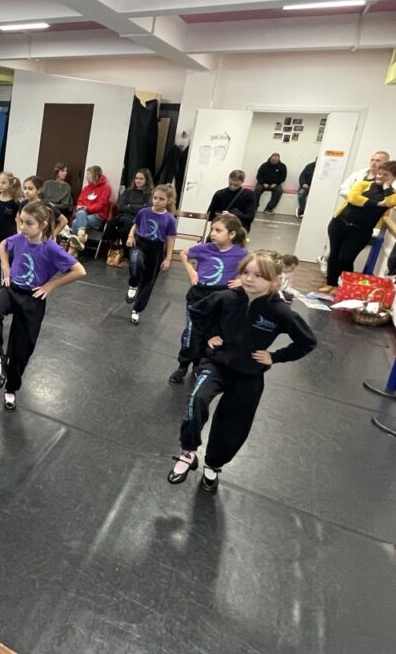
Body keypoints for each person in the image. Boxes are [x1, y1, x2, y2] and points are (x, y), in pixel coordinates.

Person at [167, 251, 316, 492]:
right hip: (216, 363)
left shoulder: (280, 311)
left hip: (249, 373)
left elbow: (307, 341)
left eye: (258, 275)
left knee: (234, 423)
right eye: (245, 272)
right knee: (197, 399)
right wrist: (210, 335)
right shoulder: (226, 297)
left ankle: (213, 465)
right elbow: (198, 312)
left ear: (276, 280)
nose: (249, 279)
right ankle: (188, 451)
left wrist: (275, 356)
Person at [0, 201, 86, 410]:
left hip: (33, 299)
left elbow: (79, 271)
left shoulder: (51, 248)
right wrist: (5, 267)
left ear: (42, 224)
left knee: (21, 350)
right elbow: (3, 245)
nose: (23, 227)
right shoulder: (20, 238)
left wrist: (51, 285)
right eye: (21, 221)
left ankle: (11, 388)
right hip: (12, 290)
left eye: (29, 223)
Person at [170, 213, 248, 384]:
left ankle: (199, 364)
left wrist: (242, 280)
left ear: (232, 234)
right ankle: (183, 365)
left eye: (218, 230)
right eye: (212, 229)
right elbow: (184, 254)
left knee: (212, 332)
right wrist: (192, 272)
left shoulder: (241, 253)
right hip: (199, 295)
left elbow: (254, 268)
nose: (213, 233)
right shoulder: (204, 248)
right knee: (192, 331)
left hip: (221, 297)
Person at [320, 160, 396, 293]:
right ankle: (330, 283)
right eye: (379, 173)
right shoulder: (363, 184)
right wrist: (378, 204)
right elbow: (353, 198)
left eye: (385, 175)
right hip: (339, 224)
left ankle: (342, 286)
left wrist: (386, 187)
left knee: (346, 259)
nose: (380, 177)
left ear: (393, 178)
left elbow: (390, 202)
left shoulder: (391, 194)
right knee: (334, 255)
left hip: (361, 231)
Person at [125, 184, 177, 325]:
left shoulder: (170, 219)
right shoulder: (144, 212)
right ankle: (133, 284)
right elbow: (135, 225)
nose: (157, 201)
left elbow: (170, 239)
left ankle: (137, 309)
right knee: (136, 261)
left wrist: (168, 258)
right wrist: (131, 236)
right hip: (141, 243)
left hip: (156, 250)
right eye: (155, 198)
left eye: (161, 199)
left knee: (148, 281)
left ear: (169, 200)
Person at [70, 165, 112, 246]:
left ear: (94, 175)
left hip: (97, 216)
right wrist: (81, 207)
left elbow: (101, 205)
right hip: (83, 214)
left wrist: (87, 208)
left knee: (75, 222)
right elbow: (80, 201)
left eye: (88, 174)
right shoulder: (86, 188)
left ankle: (74, 247)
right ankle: (81, 238)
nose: (86, 176)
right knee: (81, 213)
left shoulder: (106, 188)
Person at [109, 169, 153, 244]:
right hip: (123, 216)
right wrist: (138, 207)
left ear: (147, 180)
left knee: (127, 224)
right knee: (115, 223)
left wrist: (129, 206)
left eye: (141, 179)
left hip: (139, 218)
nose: (138, 181)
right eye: (136, 178)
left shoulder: (149, 194)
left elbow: (147, 208)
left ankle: (125, 246)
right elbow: (121, 206)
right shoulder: (127, 191)